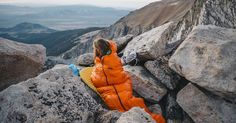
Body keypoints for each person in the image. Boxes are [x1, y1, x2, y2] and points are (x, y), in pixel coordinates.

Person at [90, 38, 166, 123]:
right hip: (119, 89)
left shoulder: (103, 62)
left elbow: (98, 79)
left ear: (97, 50)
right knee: (134, 106)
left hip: (115, 91)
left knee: (124, 104)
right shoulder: (110, 57)